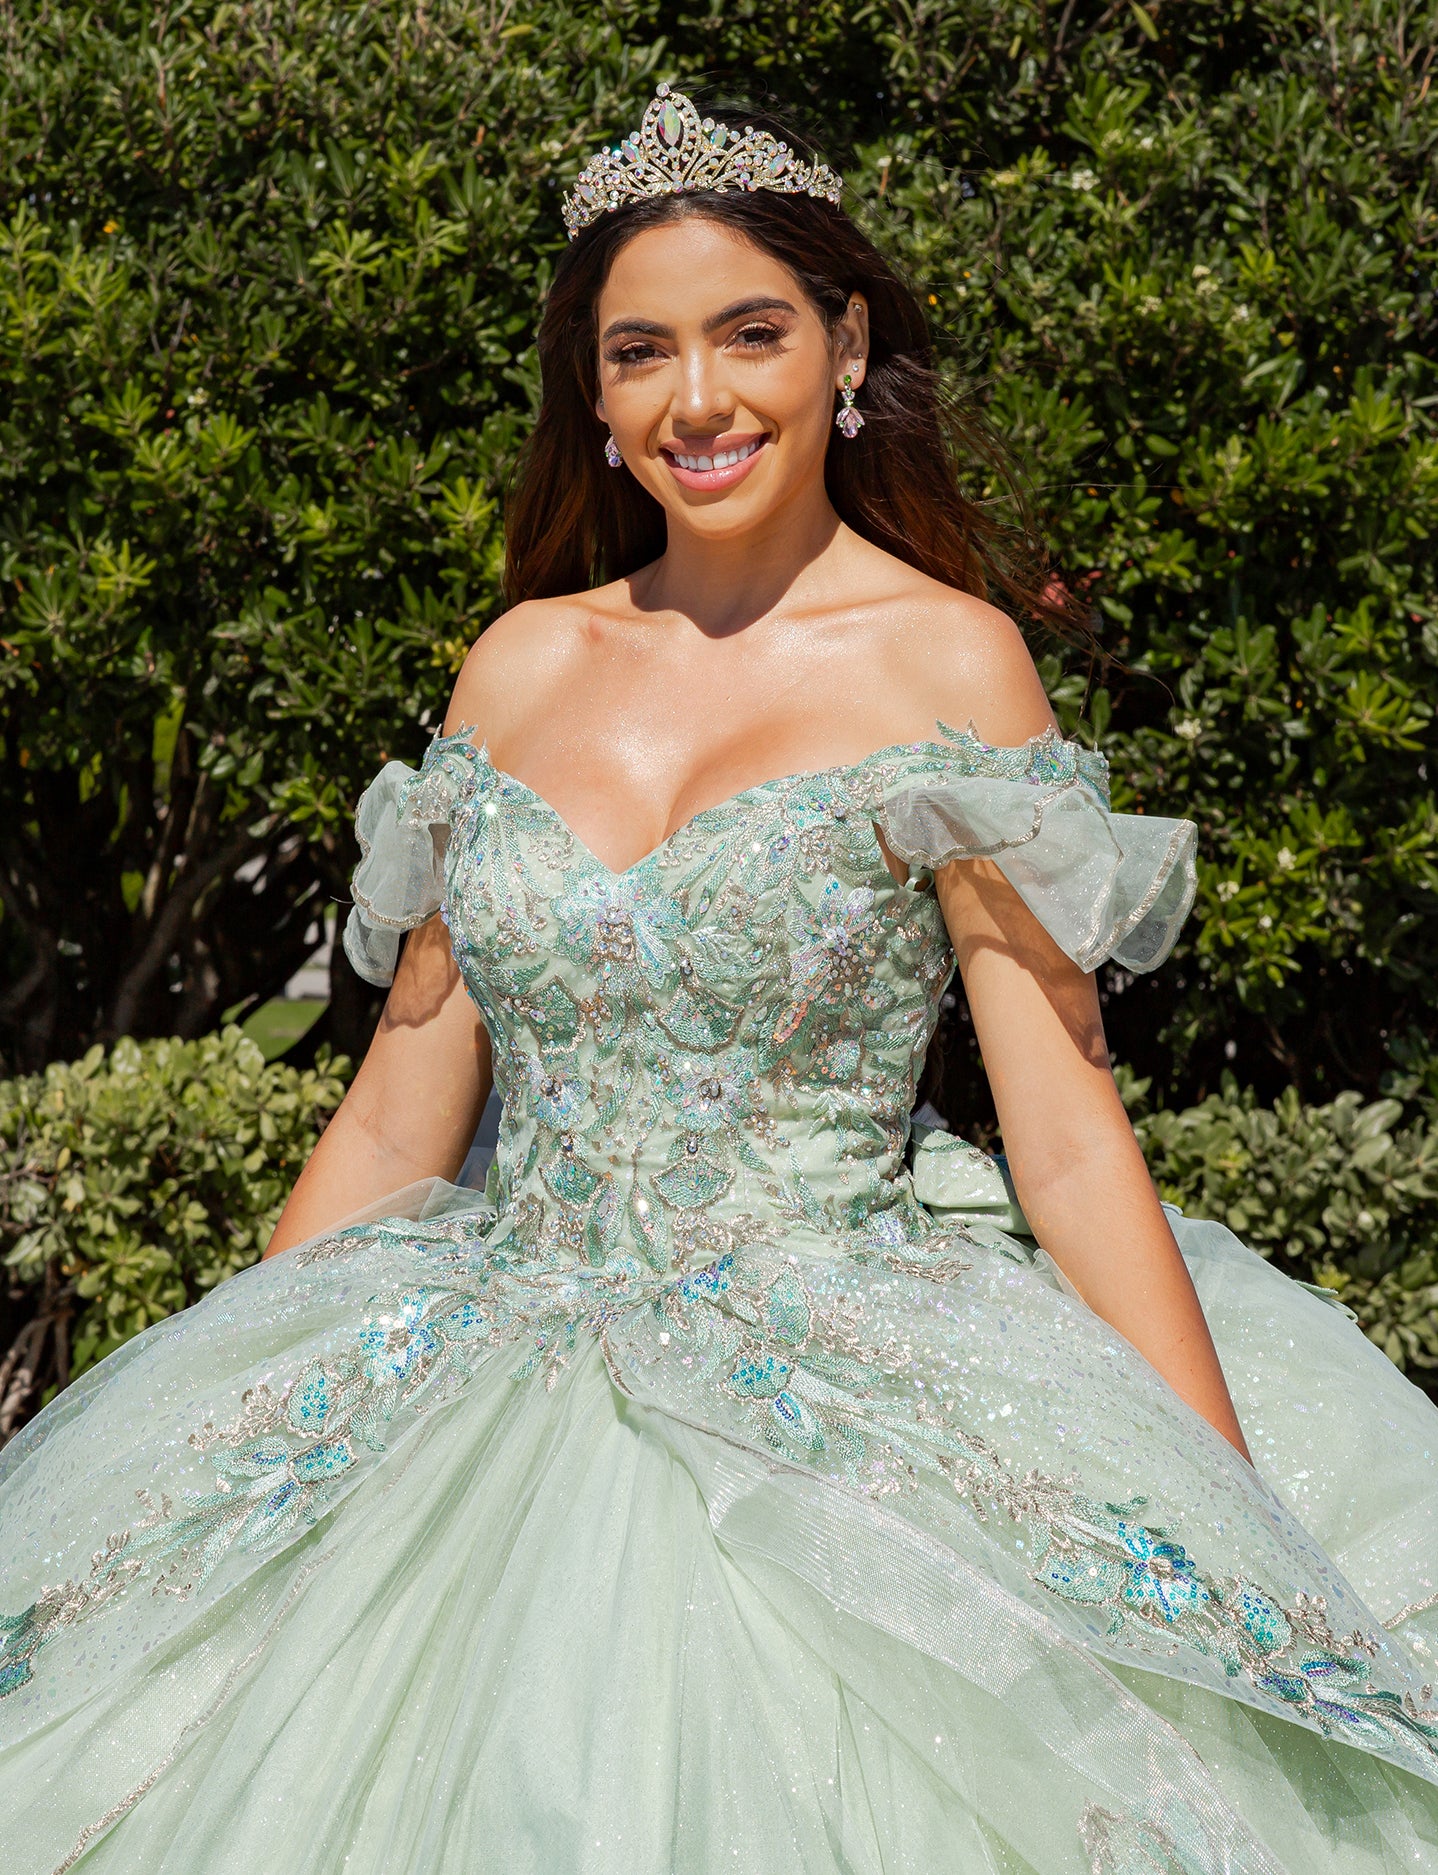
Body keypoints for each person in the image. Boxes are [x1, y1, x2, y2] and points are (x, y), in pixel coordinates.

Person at [2, 81, 1435, 1875]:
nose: (698, 399)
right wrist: (213, 1455)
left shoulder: (950, 661)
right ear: (591, 397)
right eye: (639, 352)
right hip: (487, 1361)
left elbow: (1060, 1130)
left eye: (748, 334)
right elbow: (395, 1119)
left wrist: (1222, 1530)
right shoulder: (514, 668)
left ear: (842, 342)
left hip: (846, 1382)